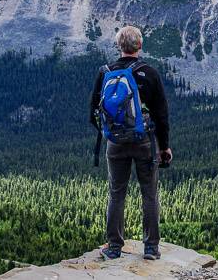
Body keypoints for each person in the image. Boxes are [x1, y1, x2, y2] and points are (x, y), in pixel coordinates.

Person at [89, 25, 172, 261]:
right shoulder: (150, 73)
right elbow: (161, 114)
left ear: (119, 46)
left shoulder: (106, 72)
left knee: (116, 193)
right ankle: (151, 249)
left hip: (115, 143)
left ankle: (114, 247)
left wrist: (109, 134)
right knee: (149, 194)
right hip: (145, 141)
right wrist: (164, 146)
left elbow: (93, 111)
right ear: (140, 46)